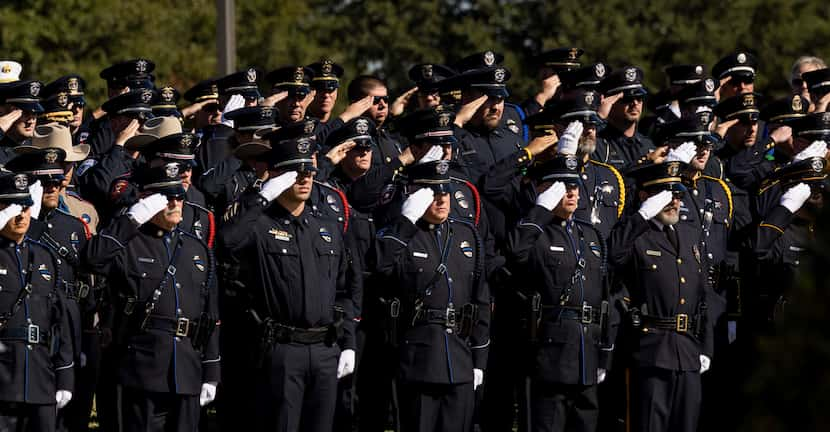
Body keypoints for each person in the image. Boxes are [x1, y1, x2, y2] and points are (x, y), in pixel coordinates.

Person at [219, 121, 359, 431]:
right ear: (277, 175)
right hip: (281, 351)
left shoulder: (327, 226)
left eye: (309, 171)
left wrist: (347, 341)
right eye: (295, 171)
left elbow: (343, 290)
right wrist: (261, 197)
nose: (305, 178)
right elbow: (227, 243)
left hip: (325, 349)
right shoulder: (258, 223)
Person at [82, 162, 220, 432]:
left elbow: (210, 315)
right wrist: (131, 219)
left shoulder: (197, 248)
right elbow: (92, 259)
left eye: (179, 195)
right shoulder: (128, 243)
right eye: (167, 197)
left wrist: (212, 371)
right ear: (147, 200)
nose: (176, 202)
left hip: (188, 368)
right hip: (142, 368)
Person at [373, 159, 490, 432]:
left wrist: (479, 360)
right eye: (432, 193)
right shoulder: (399, 235)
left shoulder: (467, 235)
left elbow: (480, 300)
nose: (441, 200)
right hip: (419, 359)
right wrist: (404, 222)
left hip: (460, 357)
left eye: (445, 192)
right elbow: (380, 268)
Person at [504, 154, 616, 432]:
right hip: (550, 356)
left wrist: (605, 352)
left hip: (586, 352)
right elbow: (516, 253)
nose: (571, 192)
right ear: (544, 190)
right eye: (562, 186)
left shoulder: (590, 236)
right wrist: (540, 210)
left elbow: (603, 296)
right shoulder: (534, 231)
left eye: (575, 185)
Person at [609, 161, 714, 432]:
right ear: (645, 197)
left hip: (688, 352)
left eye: (677, 195)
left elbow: (704, 298)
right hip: (651, 351)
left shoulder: (690, 235)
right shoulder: (636, 234)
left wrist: (706, 348)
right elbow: (614, 255)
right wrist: (641, 218)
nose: (674, 202)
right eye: (665, 195)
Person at [0, 169, 74, 432]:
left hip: (41, 375)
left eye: (25, 207)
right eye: (11, 207)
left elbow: (59, 322)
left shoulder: (44, 257)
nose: (20, 215)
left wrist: (65, 375)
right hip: (4, 376)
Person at [593, 66, 656, 172]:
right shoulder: (598, 145)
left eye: (639, 98)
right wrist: (599, 117)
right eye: (628, 99)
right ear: (610, 103)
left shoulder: (647, 145)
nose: (635, 104)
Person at [0, 79, 44, 163]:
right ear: (8, 114)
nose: (31, 121)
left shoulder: (39, 146)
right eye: (25, 113)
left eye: (35, 113)